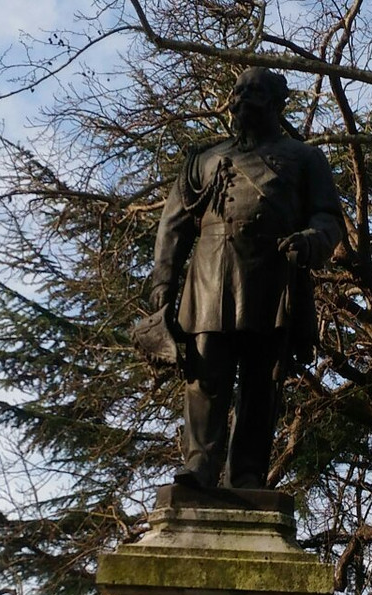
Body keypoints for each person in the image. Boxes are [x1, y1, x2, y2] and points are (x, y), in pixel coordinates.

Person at [149, 67, 344, 489]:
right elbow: (173, 228)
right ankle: (200, 464)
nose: (243, 98)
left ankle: (248, 472)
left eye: (255, 91)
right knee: (205, 376)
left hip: (273, 277)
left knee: (261, 382)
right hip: (209, 275)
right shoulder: (203, 160)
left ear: (277, 103)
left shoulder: (305, 158)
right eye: (238, 91)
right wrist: (163, 286)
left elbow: (329, 218)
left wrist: (312, 241)